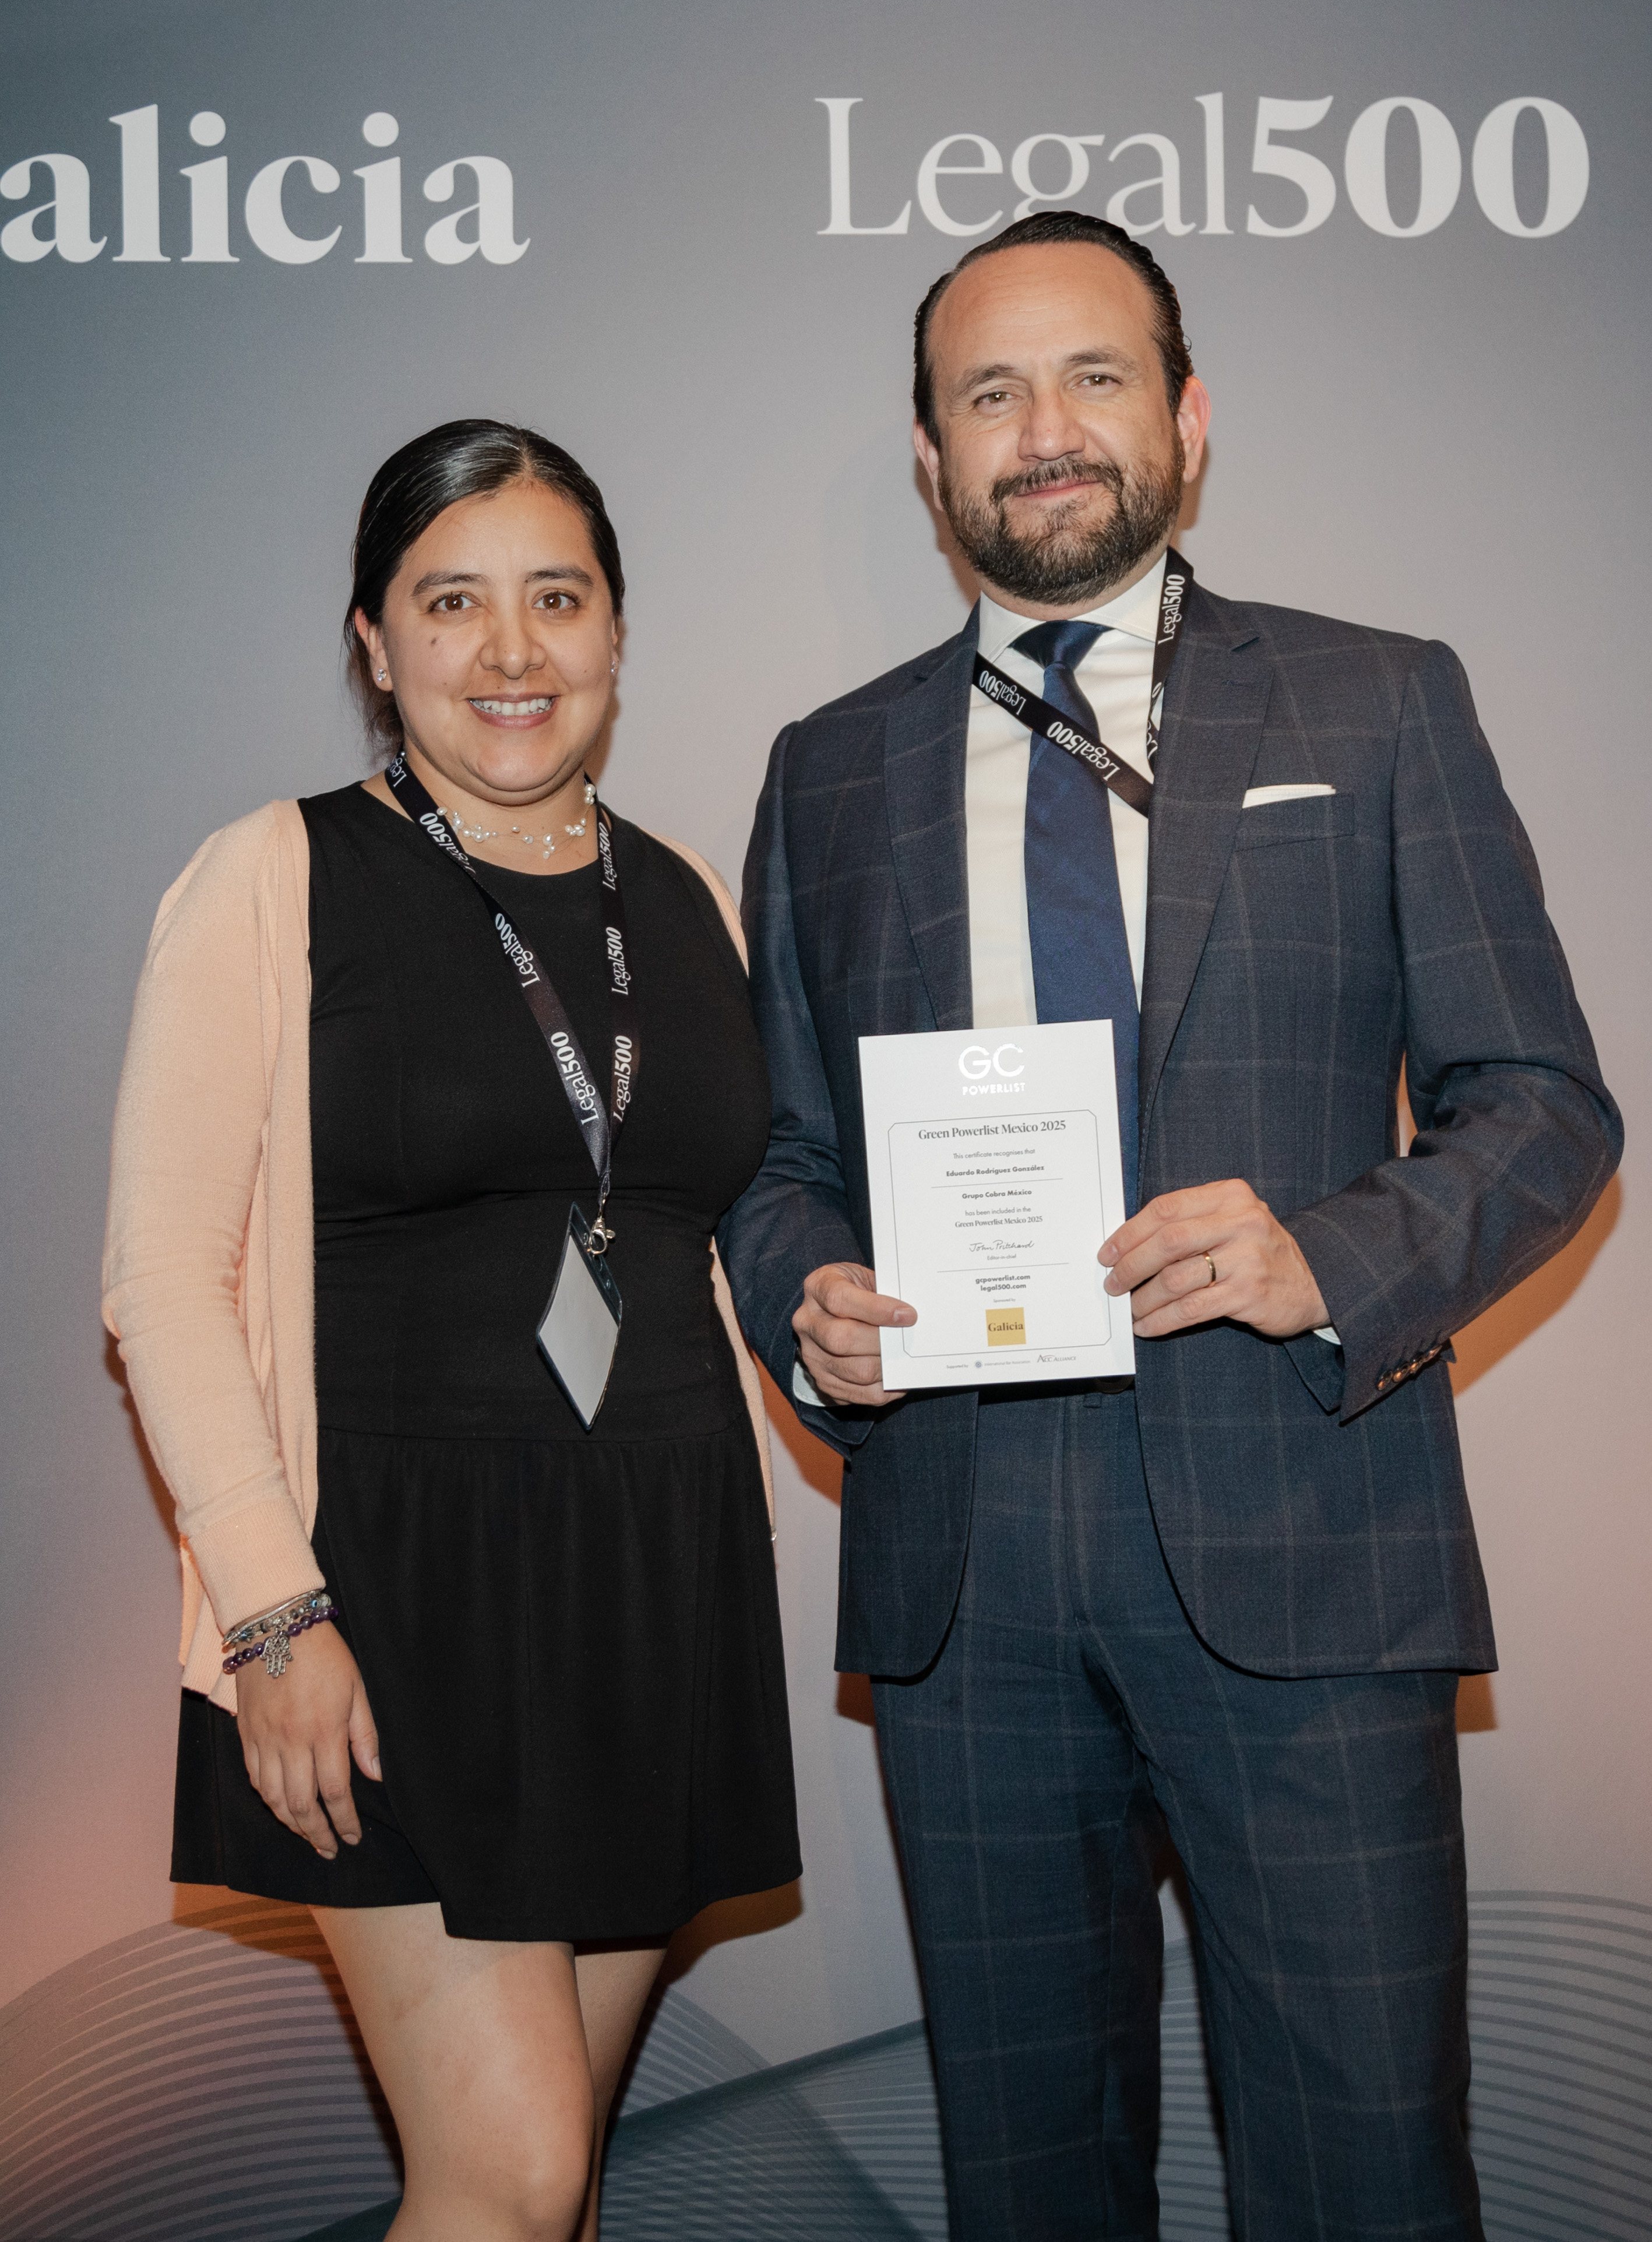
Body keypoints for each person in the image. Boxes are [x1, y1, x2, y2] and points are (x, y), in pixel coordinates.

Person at [720, 211, 1621, 2240]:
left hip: (1305, 1540)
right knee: (1026, 2188)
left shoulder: (1376, 701)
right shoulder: (829, 770)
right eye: (989, 393)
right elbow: (781, 1156)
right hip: (964, 1576)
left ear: (1188, 419)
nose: (1042, 429)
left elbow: (1545, 1106)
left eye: (1093, 376)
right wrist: (807, 1303)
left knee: (1364, 2177)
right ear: (932, 459)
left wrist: (1330, 1257)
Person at [103, 419, 799, 2242]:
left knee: (546, 2191)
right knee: (512, 2173)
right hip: (386, 1602)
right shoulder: (273, 875)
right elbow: (161, 1279)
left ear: (617, 630)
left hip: (650, 1582)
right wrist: (273, 1614)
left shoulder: (685, 895)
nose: (509, 650)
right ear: (373, 637)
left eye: (555, 599)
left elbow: (717, 1223)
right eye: (450, 601)